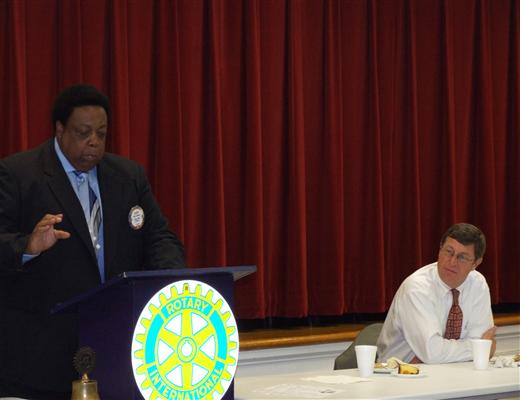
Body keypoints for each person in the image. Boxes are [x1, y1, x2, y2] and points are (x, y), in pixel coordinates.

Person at [0, 84, 185, 399]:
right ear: (60, 130)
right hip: (40, 354)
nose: (94, 143)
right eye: (83, 132)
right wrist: (28, 246)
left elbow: (158, 238)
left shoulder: (128, 176)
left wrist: (171, 281)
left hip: (116, 342)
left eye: (101, 133)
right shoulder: (18, 174)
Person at [377, 223, 496, 364]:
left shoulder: (477, 284)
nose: (452, 262)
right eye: (448, 251)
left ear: (476, 263)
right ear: (440, 249)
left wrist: (478, 347)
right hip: (400, 375)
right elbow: (432, 353)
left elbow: (482, 339)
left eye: (462, 257)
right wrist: (479, 348)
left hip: (455, 372)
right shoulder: (417, 288)